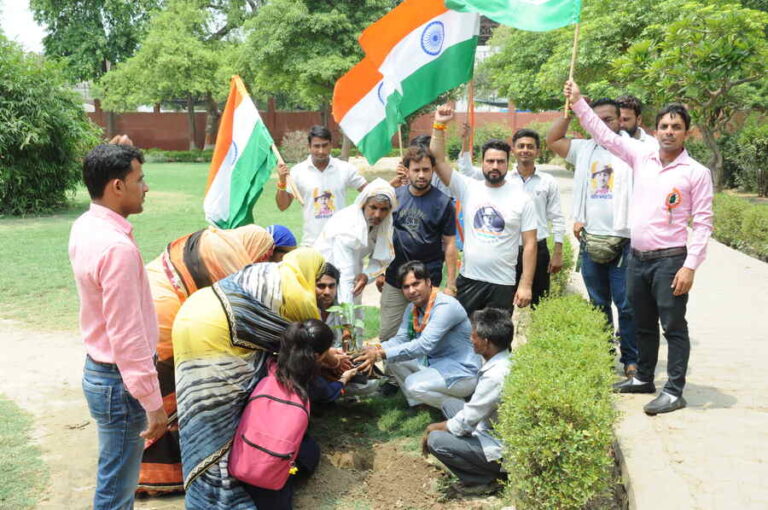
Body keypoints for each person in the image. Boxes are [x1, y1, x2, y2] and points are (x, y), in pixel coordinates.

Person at [564, 79, 714, 415]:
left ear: (686, 133)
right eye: (664, 126)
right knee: (642, 322)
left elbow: (703, 224)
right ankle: (643, 377)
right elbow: (603, 135)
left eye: (676, 127)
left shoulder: (696, 172)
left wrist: (690, 266)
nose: (669, 132)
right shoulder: (641, 156)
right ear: (655, 129)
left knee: (673, 326)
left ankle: (674, 390)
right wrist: (577, 102)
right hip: (638, 257)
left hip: (670, 260)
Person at [173, 248, 339, 509]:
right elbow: (305, 344)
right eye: (319, 282)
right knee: (220, 425)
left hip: (192, 316)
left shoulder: (269, 272)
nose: (322, 292)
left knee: (200, 413)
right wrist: (332, 359)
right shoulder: (298, 297)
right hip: (215, 337)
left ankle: (207, 490)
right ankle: (222, 498)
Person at [137, 224, 292, 495]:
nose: (265, 263)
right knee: (182, 397)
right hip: (165, 319)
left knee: (164, 398)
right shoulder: (228, 259)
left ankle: (157, 470)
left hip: (149, 307)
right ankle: (166, 474)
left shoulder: (217, 242)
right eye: (268, 256)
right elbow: (240, 312)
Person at [68, 144, 168, 510]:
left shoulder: (86, 225)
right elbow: (127, 338)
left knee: (115, 473)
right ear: (116, 186)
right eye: (139, 179)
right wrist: (154, 403)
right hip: (118, 383)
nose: (146, 187)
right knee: (117, 488)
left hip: (101, 373)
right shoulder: (116, 248)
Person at [547, 97, 639, 377]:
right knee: (598, 302)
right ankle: (604, 353)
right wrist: (570, 110)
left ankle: (631, 360)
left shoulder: (632, 149)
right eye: (595, 119)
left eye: (608, 119)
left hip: (624, 241)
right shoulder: (583, 149)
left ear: (620, 119)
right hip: (590, 239)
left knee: (626, 304)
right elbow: (553, 139)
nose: (602, 125)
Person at [430, 104, 538, 316]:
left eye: (500, 161)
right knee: (463, 337)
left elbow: (530, 244)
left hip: (503, 283)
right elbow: (438, 161)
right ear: (482, 162)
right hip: (469, 279)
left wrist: (525, 285)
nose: (495, 166)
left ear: (508, 163)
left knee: (497, 341)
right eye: (490, 161)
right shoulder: (469, 187)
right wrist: (439, 126)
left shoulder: (522, 198)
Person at [240, 320, 357, 510]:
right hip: (270, 479)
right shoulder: (309, 382)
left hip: (243, 463)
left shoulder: (270, 363)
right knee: (311, 452)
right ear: (318, 356)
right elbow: (329, 394)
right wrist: (344, 379)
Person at [356, 261, 481, 409]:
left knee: (413, 385)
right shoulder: (412, 308)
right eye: (406, 287)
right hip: (436, 366)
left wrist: (379, 355)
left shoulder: (445, 306)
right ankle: (420, 405)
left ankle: (464, 412)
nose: (412, 290)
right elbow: (400, 340)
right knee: (394, 359)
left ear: (428, 282)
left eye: (416, 284)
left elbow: (424, 345)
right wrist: (373, 349)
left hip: (462, 373)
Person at [422, 307, 512, 495]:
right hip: (492, 427)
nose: (471, 339)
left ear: (486, 342)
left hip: (500, 450)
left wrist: (434, 428)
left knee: (436, 440)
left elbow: (465, 422)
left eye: (474, 336)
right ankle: (478, 466)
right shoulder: (502, 359)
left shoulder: (495, 377)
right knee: (449, 404)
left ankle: (483, 480)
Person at [377, 145, 458, 342]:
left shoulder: (444, 203)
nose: (421, 175)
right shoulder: (395, 196)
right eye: (416, 170)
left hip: (427, 281)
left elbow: (449, 244)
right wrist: (379, 270)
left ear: (432, 170)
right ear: (407, 170)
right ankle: (394, 374)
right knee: (388, 335)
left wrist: (451, 285)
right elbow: (380, 231)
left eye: (426, 170)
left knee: (426, 336)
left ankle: (423, 373)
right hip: (395, 280)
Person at [314, 178, 397, 342]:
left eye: (383, 209)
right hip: (325, 276)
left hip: (353, 273)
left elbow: (382, 259)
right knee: (330, 331)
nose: (377, 214)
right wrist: (346, 324)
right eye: (373, 207)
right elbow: (344, 275)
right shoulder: (347, 224)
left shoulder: (385, 224)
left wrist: (366, 275)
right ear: (364, 204)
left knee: (355, 334)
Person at [276, 125, 367, 246]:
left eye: (324, 145)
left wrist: (392, 186)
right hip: (312, 244)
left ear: (331, 145)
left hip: (341, 242)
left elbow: (370, 191)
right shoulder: (298, 172)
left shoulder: (345, 169)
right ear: (309, 147)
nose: (321, 151)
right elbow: (283, 206)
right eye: (316, 146)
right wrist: (282, 181)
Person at [507, 128, 566, 306]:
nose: (525, 150)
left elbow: (557, 217)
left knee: (539, 304)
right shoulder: (504, 179)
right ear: (513, 150)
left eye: (530, 146)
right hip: (508, 249)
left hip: (538, 250)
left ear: (537, 151)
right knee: (503, 304)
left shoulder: (547, 181)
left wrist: (557, 252)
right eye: (521, 146)